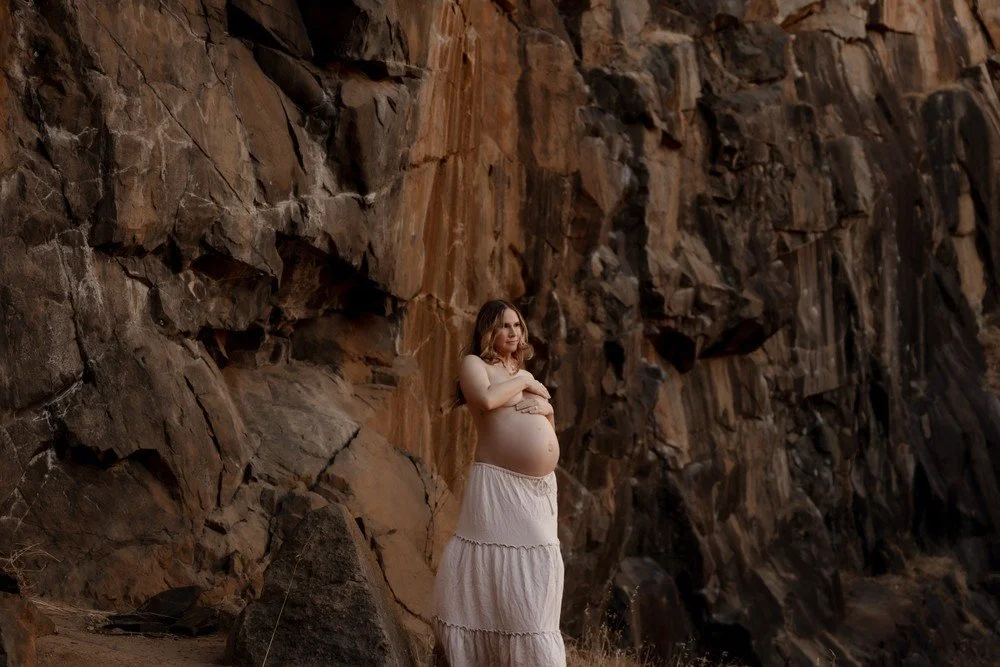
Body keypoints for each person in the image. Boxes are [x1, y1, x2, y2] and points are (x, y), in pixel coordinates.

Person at [433, 299, 566, 666]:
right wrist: (524, 380)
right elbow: (488, 400)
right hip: (499, 487)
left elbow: (543, 431)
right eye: (506, 326)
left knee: (537, 569)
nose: (514, 333)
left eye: (518, 326)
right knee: (498, 566)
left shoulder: (517, 368)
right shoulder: (474, 364)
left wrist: (548, 411)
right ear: (488, 330)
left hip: (538, 490)